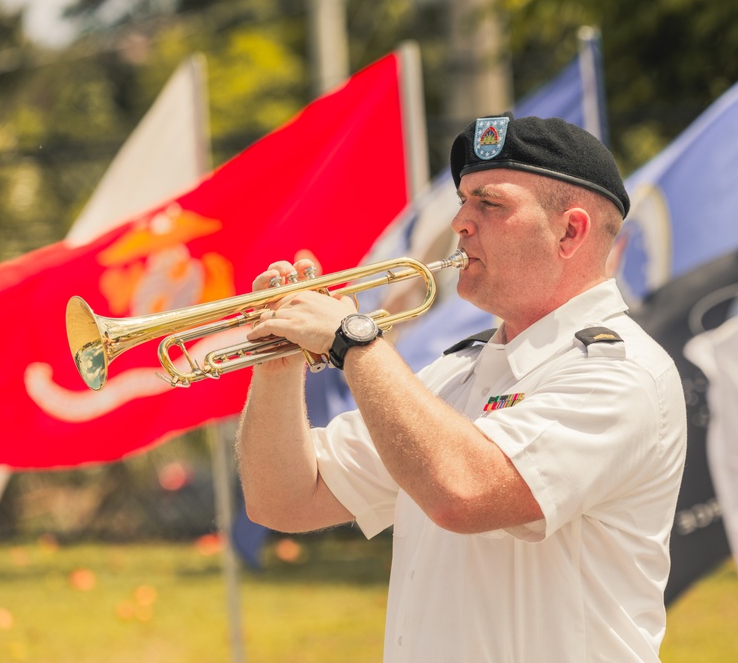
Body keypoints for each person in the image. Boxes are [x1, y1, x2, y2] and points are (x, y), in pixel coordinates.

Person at [236, 113, 687, 662]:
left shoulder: (621, 372)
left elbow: (465, 493)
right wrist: (278, 359)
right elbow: (282, 499)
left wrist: (353, 338)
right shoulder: (458, 371)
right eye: (463, 200)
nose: (460, 223)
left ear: (570, 231)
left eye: (489, 204)